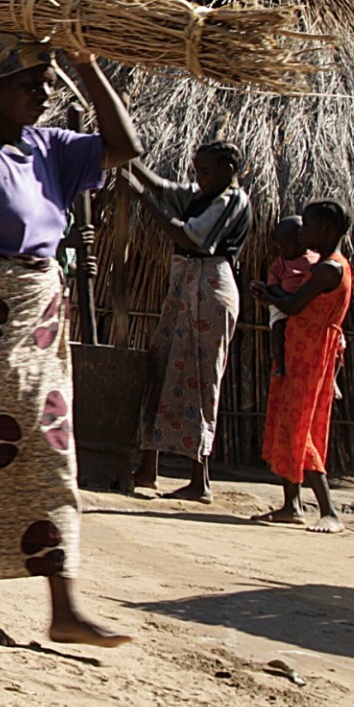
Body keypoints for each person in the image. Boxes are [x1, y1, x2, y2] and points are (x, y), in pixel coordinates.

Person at [0, 35, 140, 648]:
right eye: (29, 84)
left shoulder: (50, 149)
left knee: (49, 453)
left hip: (37, 326)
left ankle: (65, 607)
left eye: (46, 84)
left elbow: (125, 146)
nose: (42, 95)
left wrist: (87, 66)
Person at [126, 143, 254, 501]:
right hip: (185, 284)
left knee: (200, 377)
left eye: (206, 172)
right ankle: (148, 468)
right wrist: (128, 159)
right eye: (197, 171)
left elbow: (190, 237)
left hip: (209, 288)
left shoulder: (231, 201)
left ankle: (200, 480)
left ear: (229, 169)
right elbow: (161, 187)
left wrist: (143, 201)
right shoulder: (202, 195)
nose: (200, 178)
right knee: (162, 367)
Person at [252, 200, 354, 533]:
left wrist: (268, 297)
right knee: (289, 422)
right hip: (301, 350)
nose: (302, 233)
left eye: (307, 226)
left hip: (310, 353)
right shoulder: (328, 265)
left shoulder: (328, 269)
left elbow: (294, 305)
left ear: (327, 230)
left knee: (300, 427)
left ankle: (329, 511)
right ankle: (291, 505)